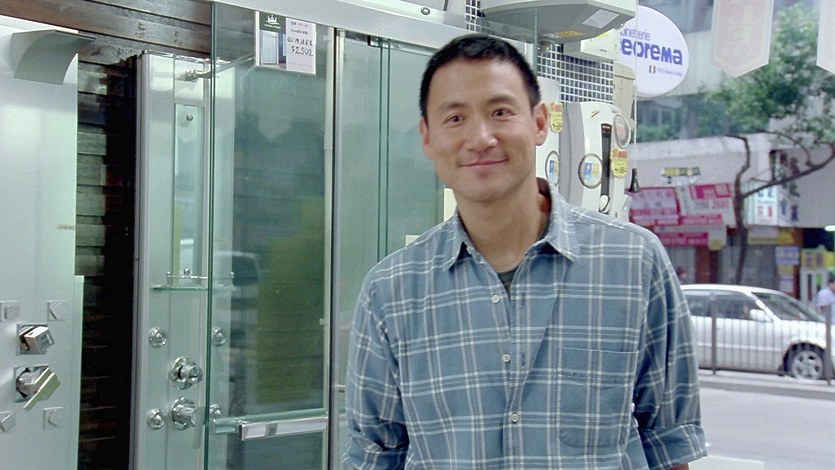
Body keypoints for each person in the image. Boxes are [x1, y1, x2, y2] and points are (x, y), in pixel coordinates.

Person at [344, 33, 707, 469]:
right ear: (428, 136)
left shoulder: (634, 261)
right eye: (455, 118)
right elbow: (375, 454)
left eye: (500, 112)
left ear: (539, 122)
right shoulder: (391, 290)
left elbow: (669, 442)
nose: (481, 138)